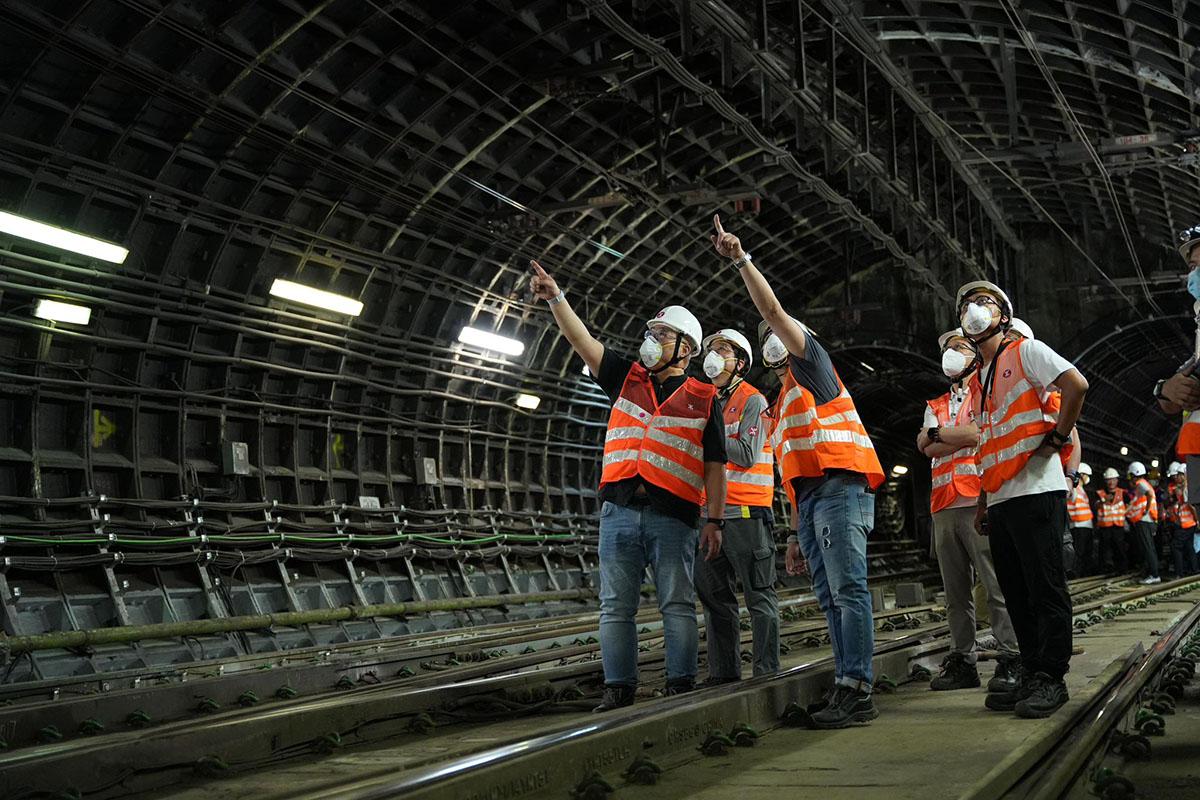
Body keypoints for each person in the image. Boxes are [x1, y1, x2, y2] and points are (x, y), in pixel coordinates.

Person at [529, 260, 727, 711]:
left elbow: (716, 466)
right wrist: (556, 298)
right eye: (651, 333)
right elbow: (582, 341)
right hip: (619, 512)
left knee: (676, 603)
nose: (651, 342)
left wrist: (715, 520)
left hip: (673, 516)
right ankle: (619, 688)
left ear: (687, 349)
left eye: (662, 335)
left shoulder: (703, 398)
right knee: (615, 606)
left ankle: (679, 685)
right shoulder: (626, 377)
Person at [712, 214, 885, 728]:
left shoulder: (813, 367)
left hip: (841, 490)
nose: (772, 336)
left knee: (848, 591)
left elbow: (770, 307)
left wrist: (741, 260)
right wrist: (792, 530)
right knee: (831, 595)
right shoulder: (782, 398)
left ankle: (858, 689)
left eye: (777, 334)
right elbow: (791, 470)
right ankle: (846, 685)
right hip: (812, 500)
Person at [958, 280, 1088, 719]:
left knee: (1045, 587)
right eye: (968, 306)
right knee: (1016, 592)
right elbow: (988, 446)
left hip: (1037, 489)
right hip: (1001, 499)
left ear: (1004, 315)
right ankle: (1032, 671)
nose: (975, 310)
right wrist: (982, 502)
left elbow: (1077, 385)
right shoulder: (979, 379)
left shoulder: (1026, 351)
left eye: (985, 303)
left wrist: (1058, 435)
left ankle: (1051, 676)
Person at [917, 329, 1020, 692]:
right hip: (943, 504)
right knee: (955, 594)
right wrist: (945, 436)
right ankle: (964, 661)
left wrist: (940, 435)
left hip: (979, 499)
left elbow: (978, 434)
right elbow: (924, 446)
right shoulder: (936, 403)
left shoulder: (986, 391)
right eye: (947, 348)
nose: (951, 353)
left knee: (996, 586)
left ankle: (1011, 657)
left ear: (974, 353)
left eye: (959, 346)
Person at [694, 328, 781, 683]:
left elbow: (746, 454)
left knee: (759, 598)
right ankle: (724, 674)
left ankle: (765, 673)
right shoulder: (701, 402)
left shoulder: (753, 400)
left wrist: (705, 435)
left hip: (747, 515)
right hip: (708, 517)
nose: (713, 355)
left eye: (722, 350)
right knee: (716, 601)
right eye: (710, 349)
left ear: (740, 362)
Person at [1125, 461, 1161, 584]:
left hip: (1145, 520)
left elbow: (1150, 494)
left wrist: (1146, 510)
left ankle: (1154, 574)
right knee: (1147, 547)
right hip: (1147, 520)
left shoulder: (1141, 484)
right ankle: (1149, 573)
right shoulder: (1142, 486)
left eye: (1131, 475)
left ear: (1135, 474)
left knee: (1148, 547)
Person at [1165, 462, 1199, 577]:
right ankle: (1194, 569)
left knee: (1176, 546)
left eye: (1180, 474)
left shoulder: (1186, 489)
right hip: (1188, 523)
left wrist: (1197, 520)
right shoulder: (1186, 487)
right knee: (1189, 546)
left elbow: (1192, 506)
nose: (1177, 477)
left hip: (1187, 523)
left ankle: (1179, 572)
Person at [1095, 468, 1129, 572]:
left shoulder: (1123, 493)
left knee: (1119, 548)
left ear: (1117, 480)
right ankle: (1103, 569)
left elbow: (1129, 506)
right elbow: (1095, 506)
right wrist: (1104, 500)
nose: (1111, 482)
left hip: (1118, 525)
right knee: (1104, 550)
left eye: (1113, 479)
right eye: (1109, 480)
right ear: (1105, 481)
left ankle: (1121, 569)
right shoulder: (1100, 493)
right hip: (1105, 526)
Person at [1068, 464, 1096, 576]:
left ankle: (1083, 573)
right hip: (1078, 525)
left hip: (1085, 525)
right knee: (1079, 552)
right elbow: (1071, 499)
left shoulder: (1081, 489)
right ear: (1081, 475)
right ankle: (1075, 574)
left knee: (1086, 552)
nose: (1087, 478)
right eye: (1086, 475)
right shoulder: (1074, 489)